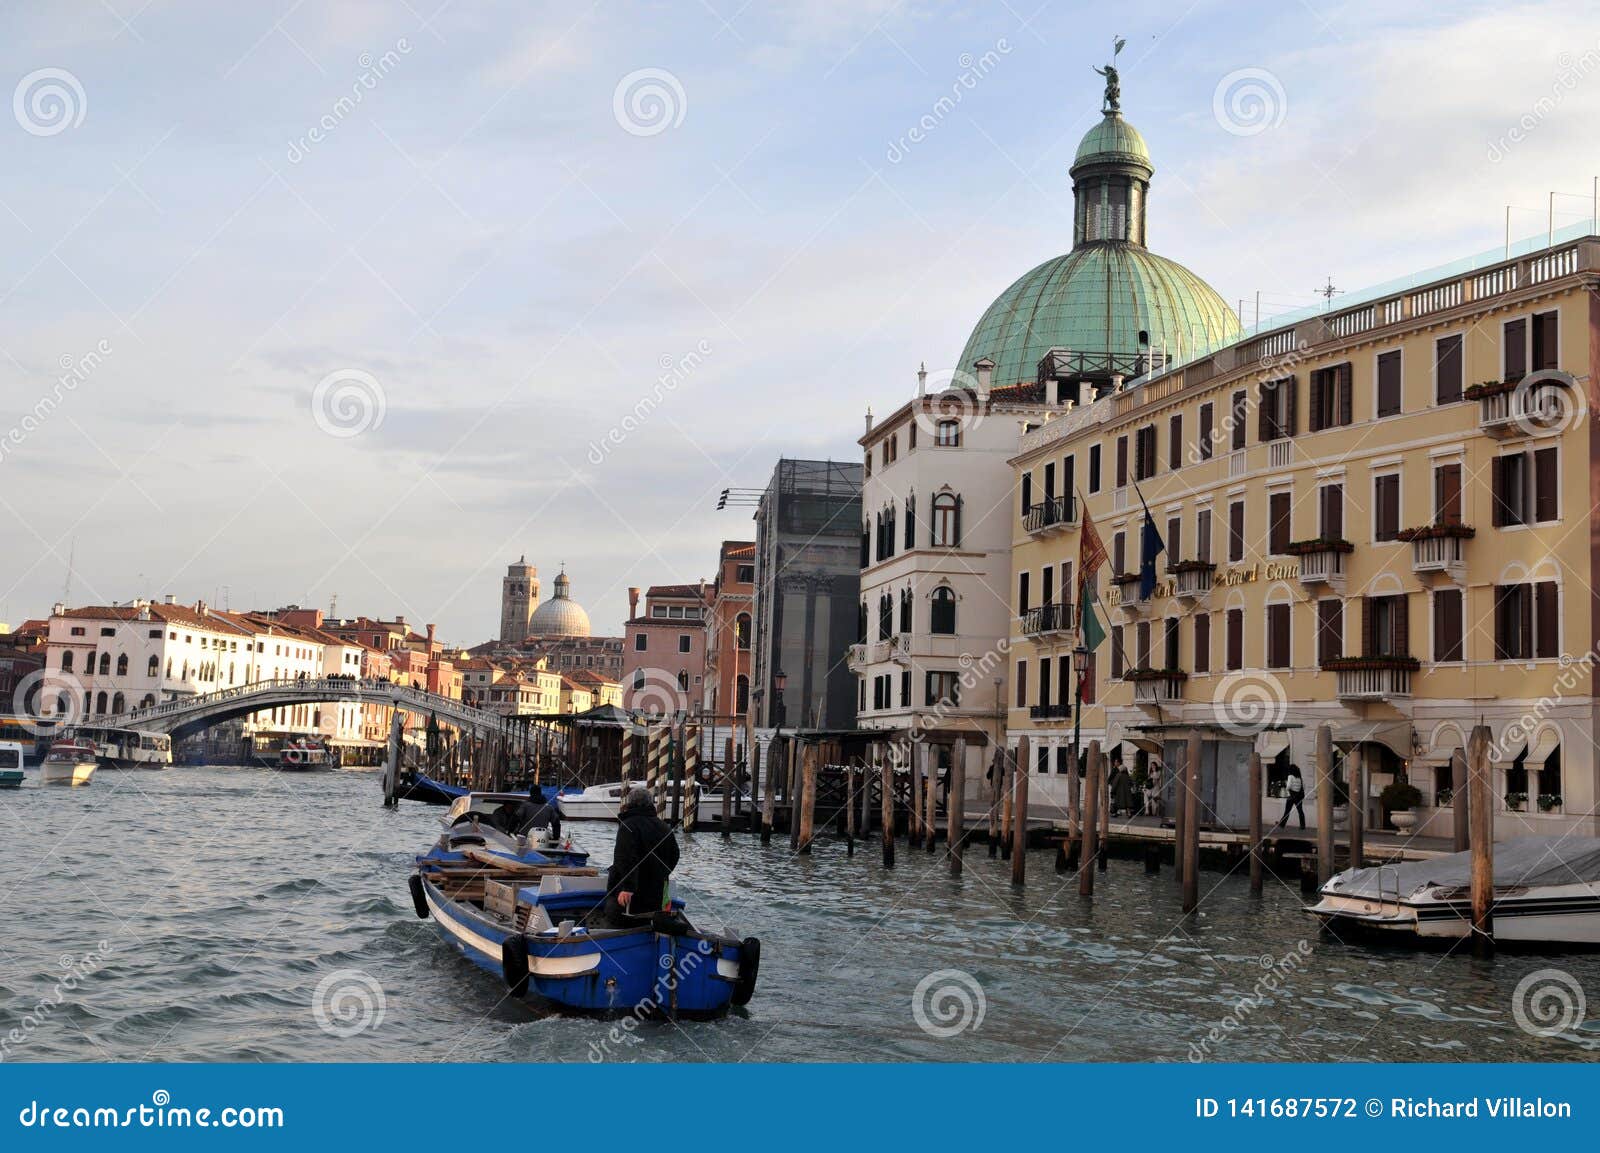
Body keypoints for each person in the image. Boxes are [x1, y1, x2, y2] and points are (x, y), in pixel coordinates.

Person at [606, 786, 680, 922]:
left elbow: (626, 858)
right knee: (649, 920)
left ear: (629, 803)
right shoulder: (664, 827)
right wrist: (662, 873)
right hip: (656, 889)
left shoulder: (628, 825)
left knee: (617, 918)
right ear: (651, 803)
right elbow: (675, 854)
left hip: (632, 894)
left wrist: (628, 887)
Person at [1276, 764, 1306, 830]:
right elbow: (1304, 786)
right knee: (1300, 811)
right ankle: (1302, 826)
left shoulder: (1290, 776)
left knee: (1287, 811)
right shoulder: (1299, 777)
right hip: (1298, 796)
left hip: (1291, 795)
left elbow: (1289, 786)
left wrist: (1287, 788)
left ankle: (1282, 824)